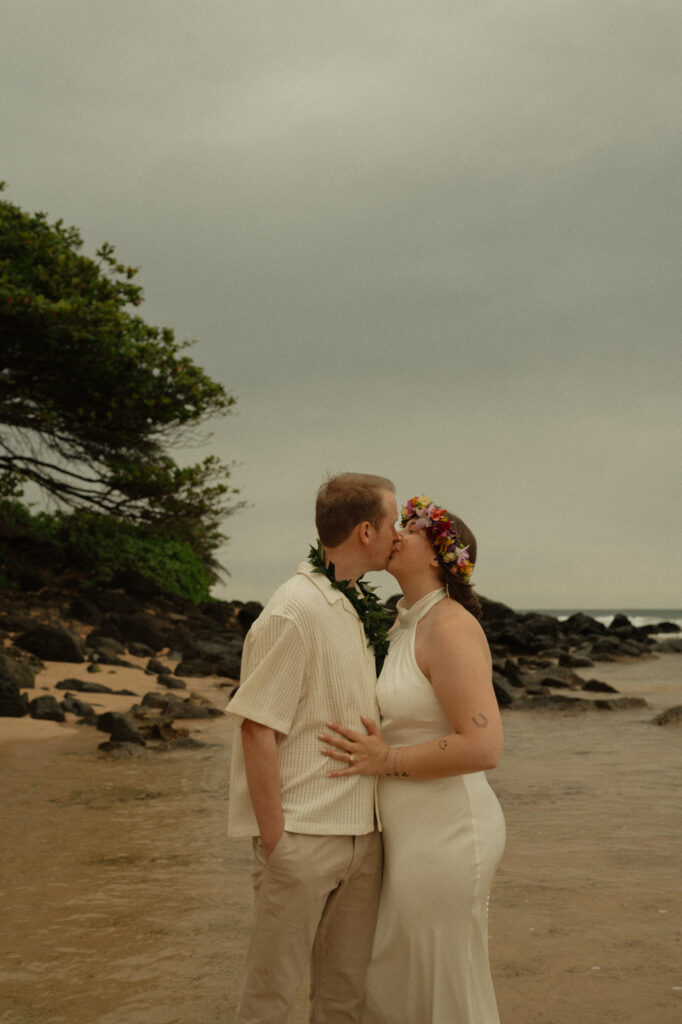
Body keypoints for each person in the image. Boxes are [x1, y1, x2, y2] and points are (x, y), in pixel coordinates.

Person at [319, 495, 505, 1024]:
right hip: (405, 831)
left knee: (436, 976)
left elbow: (484, 746)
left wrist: (385, 760)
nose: (396, 531)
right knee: (392, 972)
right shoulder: (400, 625)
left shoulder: (450, 626)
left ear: (440, 555)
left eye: (413, 526)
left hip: (448, 830)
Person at [227, 472, 399, 1024]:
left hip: (361, 837)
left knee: (343, 999)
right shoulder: (292, 611)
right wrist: (277, 841)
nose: (400, 533)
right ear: (367, 531)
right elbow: (256, 727)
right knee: (269, 999)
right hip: (302, 838)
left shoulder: (345, 604)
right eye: (393, 521)